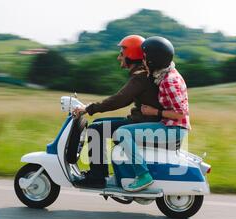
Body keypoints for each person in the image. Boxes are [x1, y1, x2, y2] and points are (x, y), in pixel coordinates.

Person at [73, 35, 163, 188]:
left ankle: (97, 177)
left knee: (96, 129)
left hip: (144, 124)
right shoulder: (142, 75)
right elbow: (124, 99)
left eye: (122, 53)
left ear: (131, 55)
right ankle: (100, 172)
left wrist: (89, 108)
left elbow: (119, 100)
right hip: (142, 121)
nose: (118, 57)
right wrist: (91, 109)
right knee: (98, 124)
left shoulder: (140, 78)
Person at [114, 36, 191, 192]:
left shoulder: (169, 80)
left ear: (152, 60)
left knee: (122, 132)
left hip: (172, 131)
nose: (142, 60)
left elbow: (181, 114)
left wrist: (154, 111)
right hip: (169, 127)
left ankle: (143, 176)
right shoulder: (164, 74)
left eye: (144, 57)